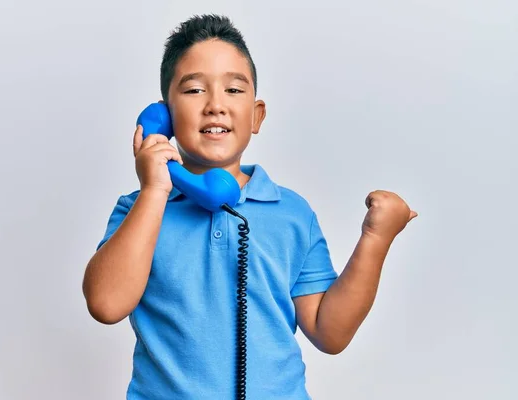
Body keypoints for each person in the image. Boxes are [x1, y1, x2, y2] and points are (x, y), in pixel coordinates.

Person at [82, 14, 417, 400]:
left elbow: (330, 332)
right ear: (164, 118)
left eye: (234, 90)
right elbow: (106, 304)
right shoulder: (138, 209)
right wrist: (156, 189)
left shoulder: (291, 214)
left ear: (256, 115)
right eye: (194, 90)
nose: (215, 106)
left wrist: (376, 239)